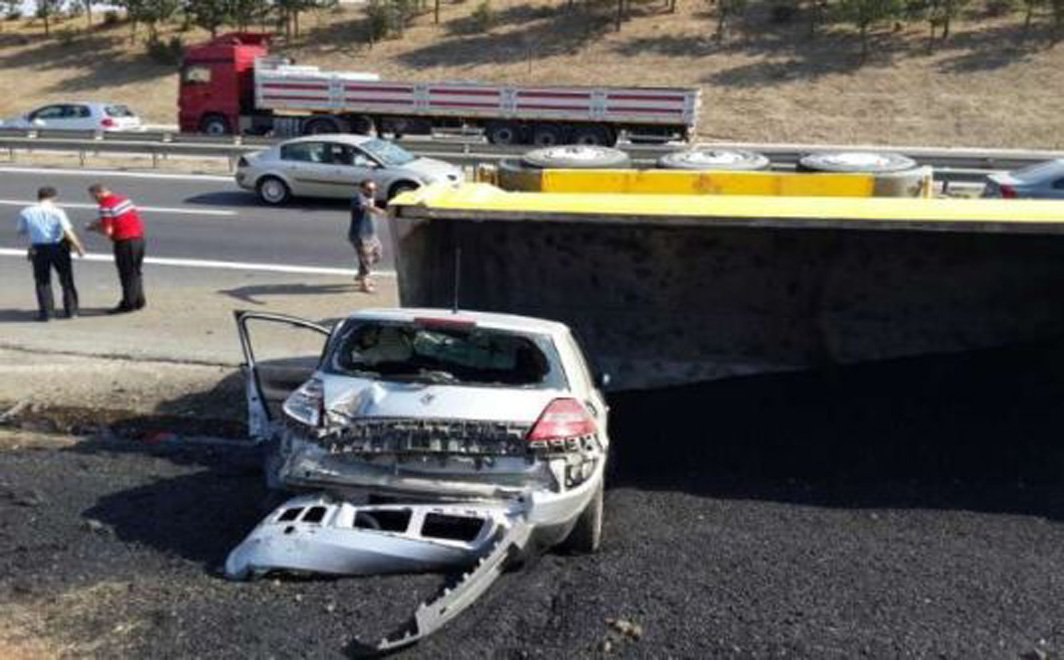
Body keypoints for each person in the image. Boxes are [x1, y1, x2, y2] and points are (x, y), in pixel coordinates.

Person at [16, 186, 85, 322]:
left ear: (39, 197)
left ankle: (47, 314)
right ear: (53, 197)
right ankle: (72, 311)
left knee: (42, 281)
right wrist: (78, 247)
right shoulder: (58, 211)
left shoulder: (26, 212)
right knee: (66, 279)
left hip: (39, 249)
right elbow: (67, 231)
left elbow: (20, 230)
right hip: (58, 247)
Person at [85, 183, 146, 314]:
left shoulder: (105, 206)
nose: (94, 200)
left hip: (124, 241)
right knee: (136, 271)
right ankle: (139, 301)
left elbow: (108, 230)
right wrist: (96, 222)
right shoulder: (125, 200)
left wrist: (94, 229)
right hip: (139, 239)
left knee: (126, 274)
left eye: (93, 197)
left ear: (98, 193)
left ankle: (128, 304)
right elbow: (115, 217)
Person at [349, 180, 384, 293]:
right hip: (361, 235)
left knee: (378, 255)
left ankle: (361, 273)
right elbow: (362, 207)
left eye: (374, 189)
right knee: (366, 259)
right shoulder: (357, 199)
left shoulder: (370, 198)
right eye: (369, 189)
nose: (373, 192)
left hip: (372, 233)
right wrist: (375, 209)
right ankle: (364, 284)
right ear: (362, 189)